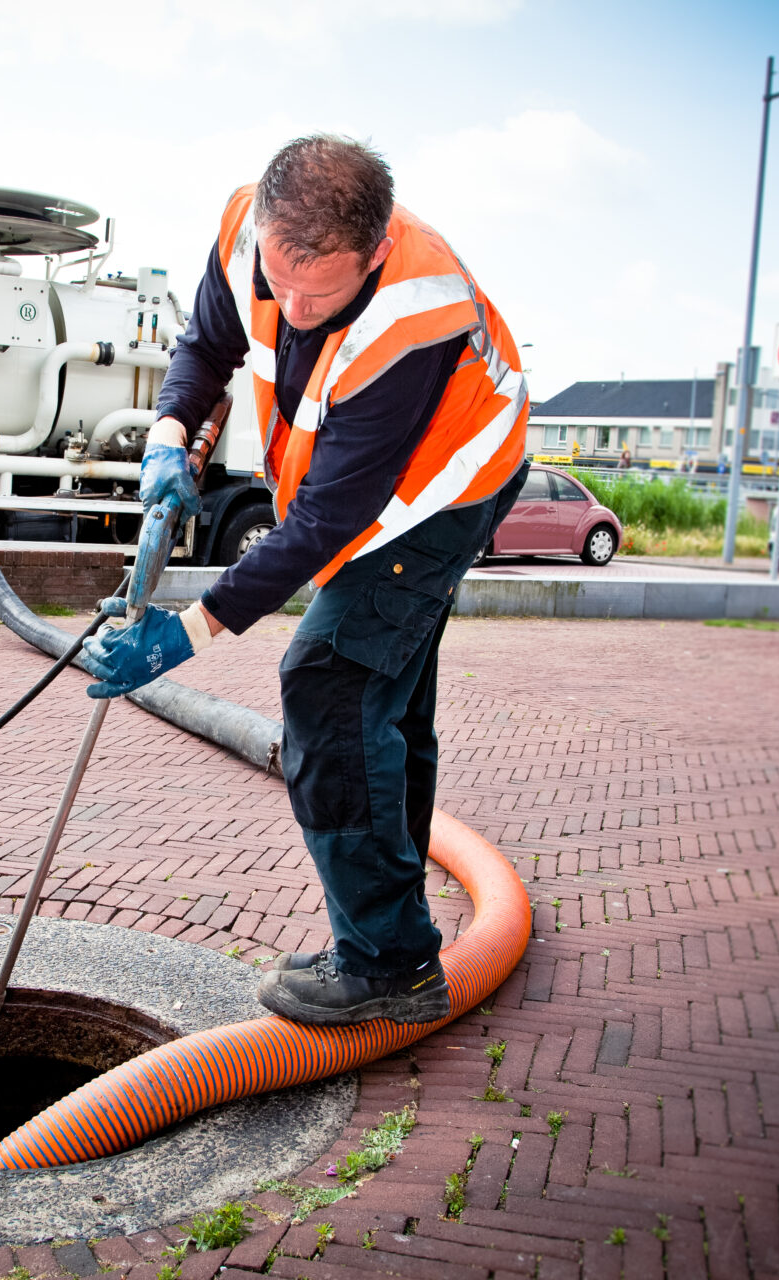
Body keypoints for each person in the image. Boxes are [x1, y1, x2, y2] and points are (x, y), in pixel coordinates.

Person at [83, 136, 530, 1027]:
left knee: (331, 685)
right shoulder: (249, 227)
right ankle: (394, 933)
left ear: (372, 253)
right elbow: (208, 343)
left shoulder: (412, 319)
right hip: (370, 488)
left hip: (445, 489)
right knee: (384, 703)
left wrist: (189, 630)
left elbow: (327, 524)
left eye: (316, 293)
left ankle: (388, 967)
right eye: (278, 280)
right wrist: (170, 431)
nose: (290, 305)